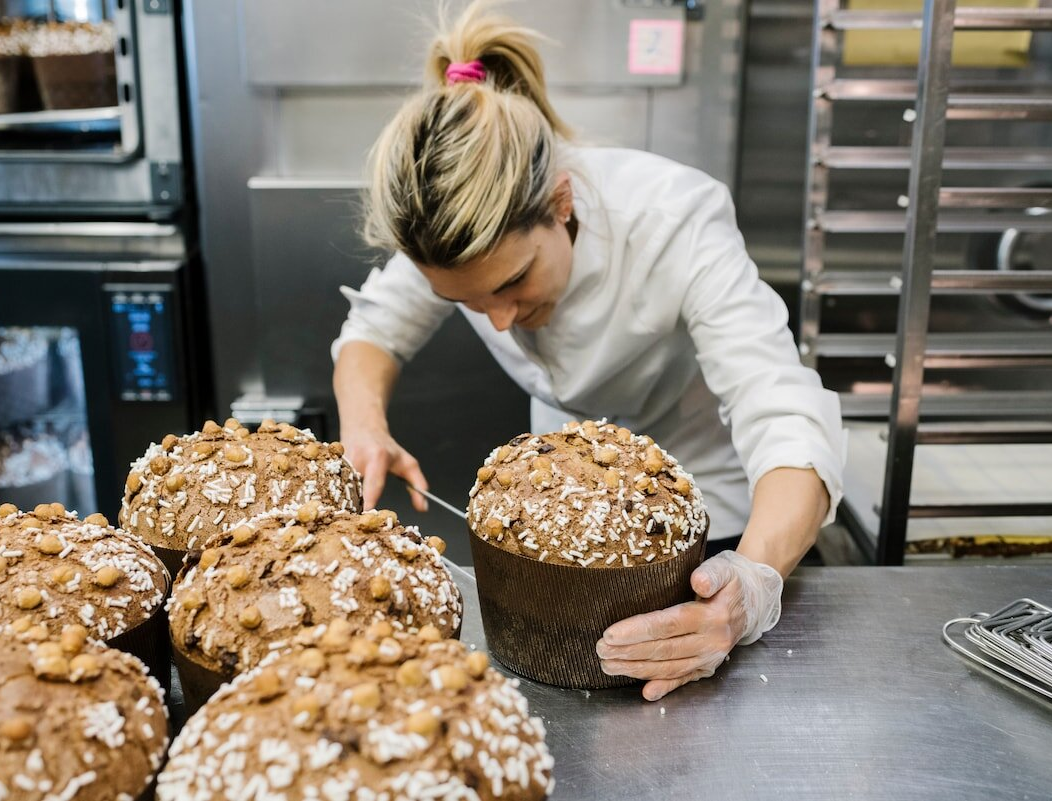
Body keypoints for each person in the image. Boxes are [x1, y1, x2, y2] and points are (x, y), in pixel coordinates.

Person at [332, 3, 846, 701]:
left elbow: (781, 408)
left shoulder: (673, 218)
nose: (503, 319)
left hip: (721, 532)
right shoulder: (451, 236)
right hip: (558, 531)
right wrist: (364, 425)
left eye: (514, 281)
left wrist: (748, 588)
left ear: (562, 200)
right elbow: (373, 330)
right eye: (469, 303)